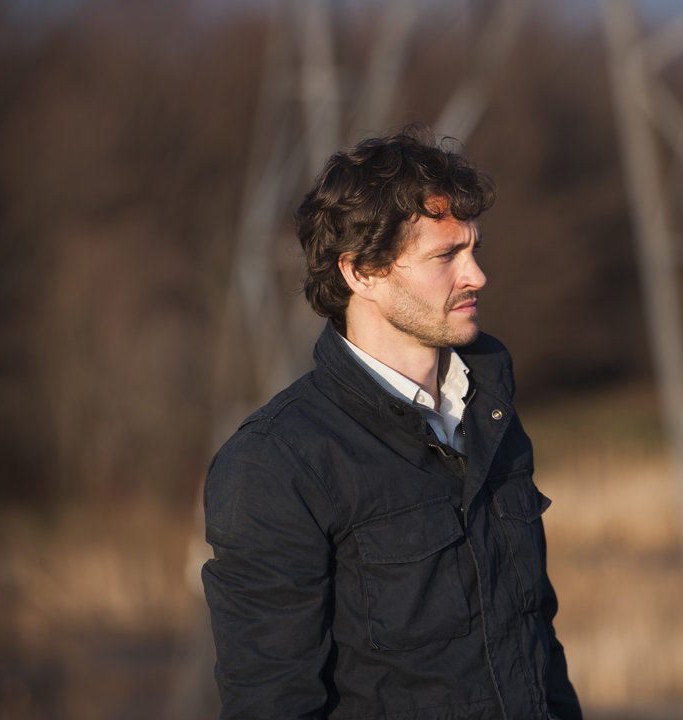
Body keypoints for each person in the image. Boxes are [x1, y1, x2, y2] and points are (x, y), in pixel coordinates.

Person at [202, 127, 582, 720]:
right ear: (361, 273)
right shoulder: (278, 464)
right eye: (446, 256)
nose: (476, 275)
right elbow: (272, 701)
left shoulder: (490, 413)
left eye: (473, 249)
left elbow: (536, 641)